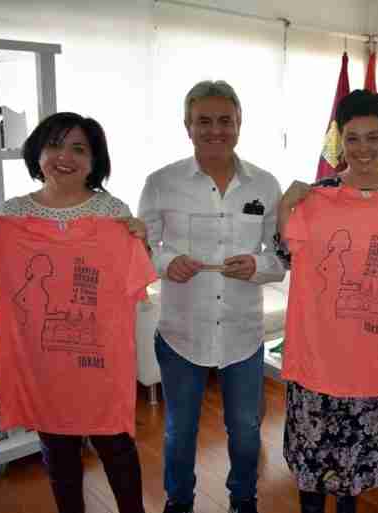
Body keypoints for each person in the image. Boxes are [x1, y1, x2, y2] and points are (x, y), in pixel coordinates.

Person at [0, 112, 153, 513]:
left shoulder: (113, 213)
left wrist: (141, 241)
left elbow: (138, 280)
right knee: (58, 454)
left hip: (100, 365)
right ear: (37, 152)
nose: (64, 157)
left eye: (78, 148)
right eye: (54, 145)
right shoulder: (9, 216)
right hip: (42, 366)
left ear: (94, 160)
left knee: (117, 447)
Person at [276, 89, 378, 513]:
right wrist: (285, 208)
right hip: (318, 357)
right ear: (340, 141)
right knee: (312, 472)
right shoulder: (316, 196)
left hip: (370, 361)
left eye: (373, 137)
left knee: (353, 478)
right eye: (352, 138)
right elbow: (286, 254)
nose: (363, 148)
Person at [138, 80, 285, 513]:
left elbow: (280, 256)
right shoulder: (161, 183)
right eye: (204, 121)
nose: (215, 130)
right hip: (181, 333)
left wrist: (258, 266)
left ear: (239, 123)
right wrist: (167, 263)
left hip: (243, 335)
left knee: (246, 430)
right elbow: (141, 248)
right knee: (179, 431)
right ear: (187, 125)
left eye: (225, 120)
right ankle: (179, 501)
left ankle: (244, 499)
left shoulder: (265, 184)